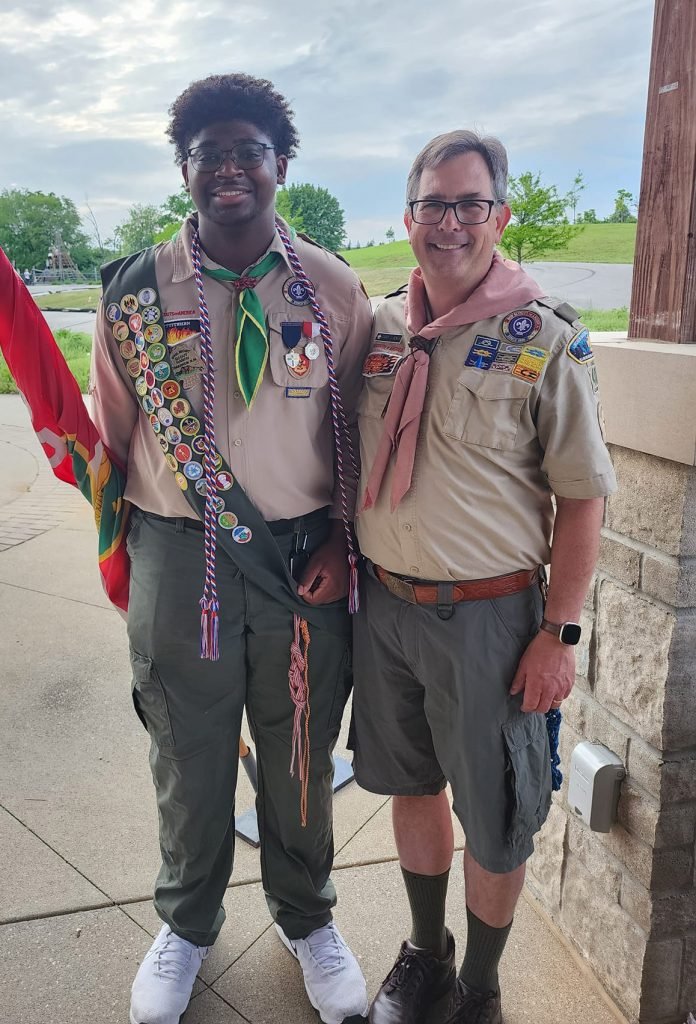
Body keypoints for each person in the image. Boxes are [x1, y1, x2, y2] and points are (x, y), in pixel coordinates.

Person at [89, 73, 372, 1024]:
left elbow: (355, 440)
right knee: (187, 749)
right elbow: (115, 439)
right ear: (185, 169)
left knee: (298, 751)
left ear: (281, 163)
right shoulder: (134, 291)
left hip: (302, 563)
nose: (230, 169)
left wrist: (341, 533)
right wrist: (130, 560)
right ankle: (186, 924)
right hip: (181, 558)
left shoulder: (331, 289)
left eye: (249, 150)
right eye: (210, 153)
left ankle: (307, 917)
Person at [352, 131, 617, 1024]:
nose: (451, 222)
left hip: (492, 623)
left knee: (498, 816)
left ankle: (480, 989)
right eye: (435, 204)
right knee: (411, 787)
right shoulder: (383, 326)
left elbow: (583, 500)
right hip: (385, 607)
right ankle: (427, 955)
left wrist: (560, 629)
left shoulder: (545, 340)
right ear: (410, 216)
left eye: (470, 204)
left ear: (499, 216)